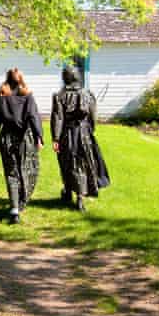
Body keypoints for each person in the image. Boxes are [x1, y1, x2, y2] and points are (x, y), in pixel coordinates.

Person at [0, 68, 44, 224]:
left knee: (11, 173)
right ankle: (21, 202)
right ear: (21, 79)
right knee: (28, 170)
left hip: (7, 139)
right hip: (25, 140)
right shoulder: (27, 96)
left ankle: (14, 209)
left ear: (7, 79)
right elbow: (33, 116)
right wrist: (39, 137)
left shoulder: (2, 97)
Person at [51, 66, 110, 211]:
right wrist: (90, 130)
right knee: (82, 163)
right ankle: (78, 196)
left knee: (67, 163)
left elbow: (58, 118)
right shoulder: (87, 94)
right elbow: (93, 116)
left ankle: (70, 192)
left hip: (67, 134)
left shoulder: (59, 96)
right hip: (84, 134)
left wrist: (56, 138)